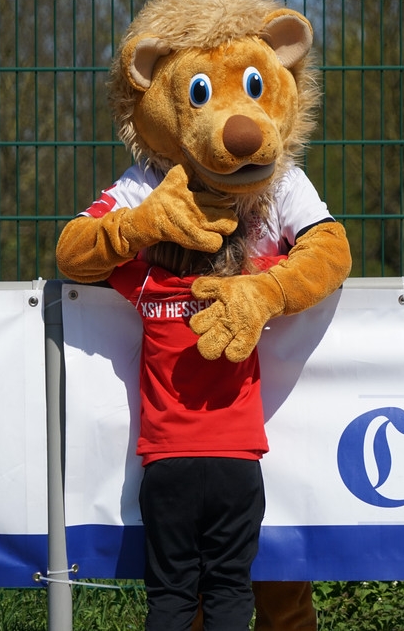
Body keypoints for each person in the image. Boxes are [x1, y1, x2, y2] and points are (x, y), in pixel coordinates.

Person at [107, 233, 282, 631]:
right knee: (229, 586)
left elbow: (93, 259)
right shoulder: (249, 284)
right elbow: (309, 272)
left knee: (171, 592)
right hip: (235, 461)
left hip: (168, 462)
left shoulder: (148, 285)